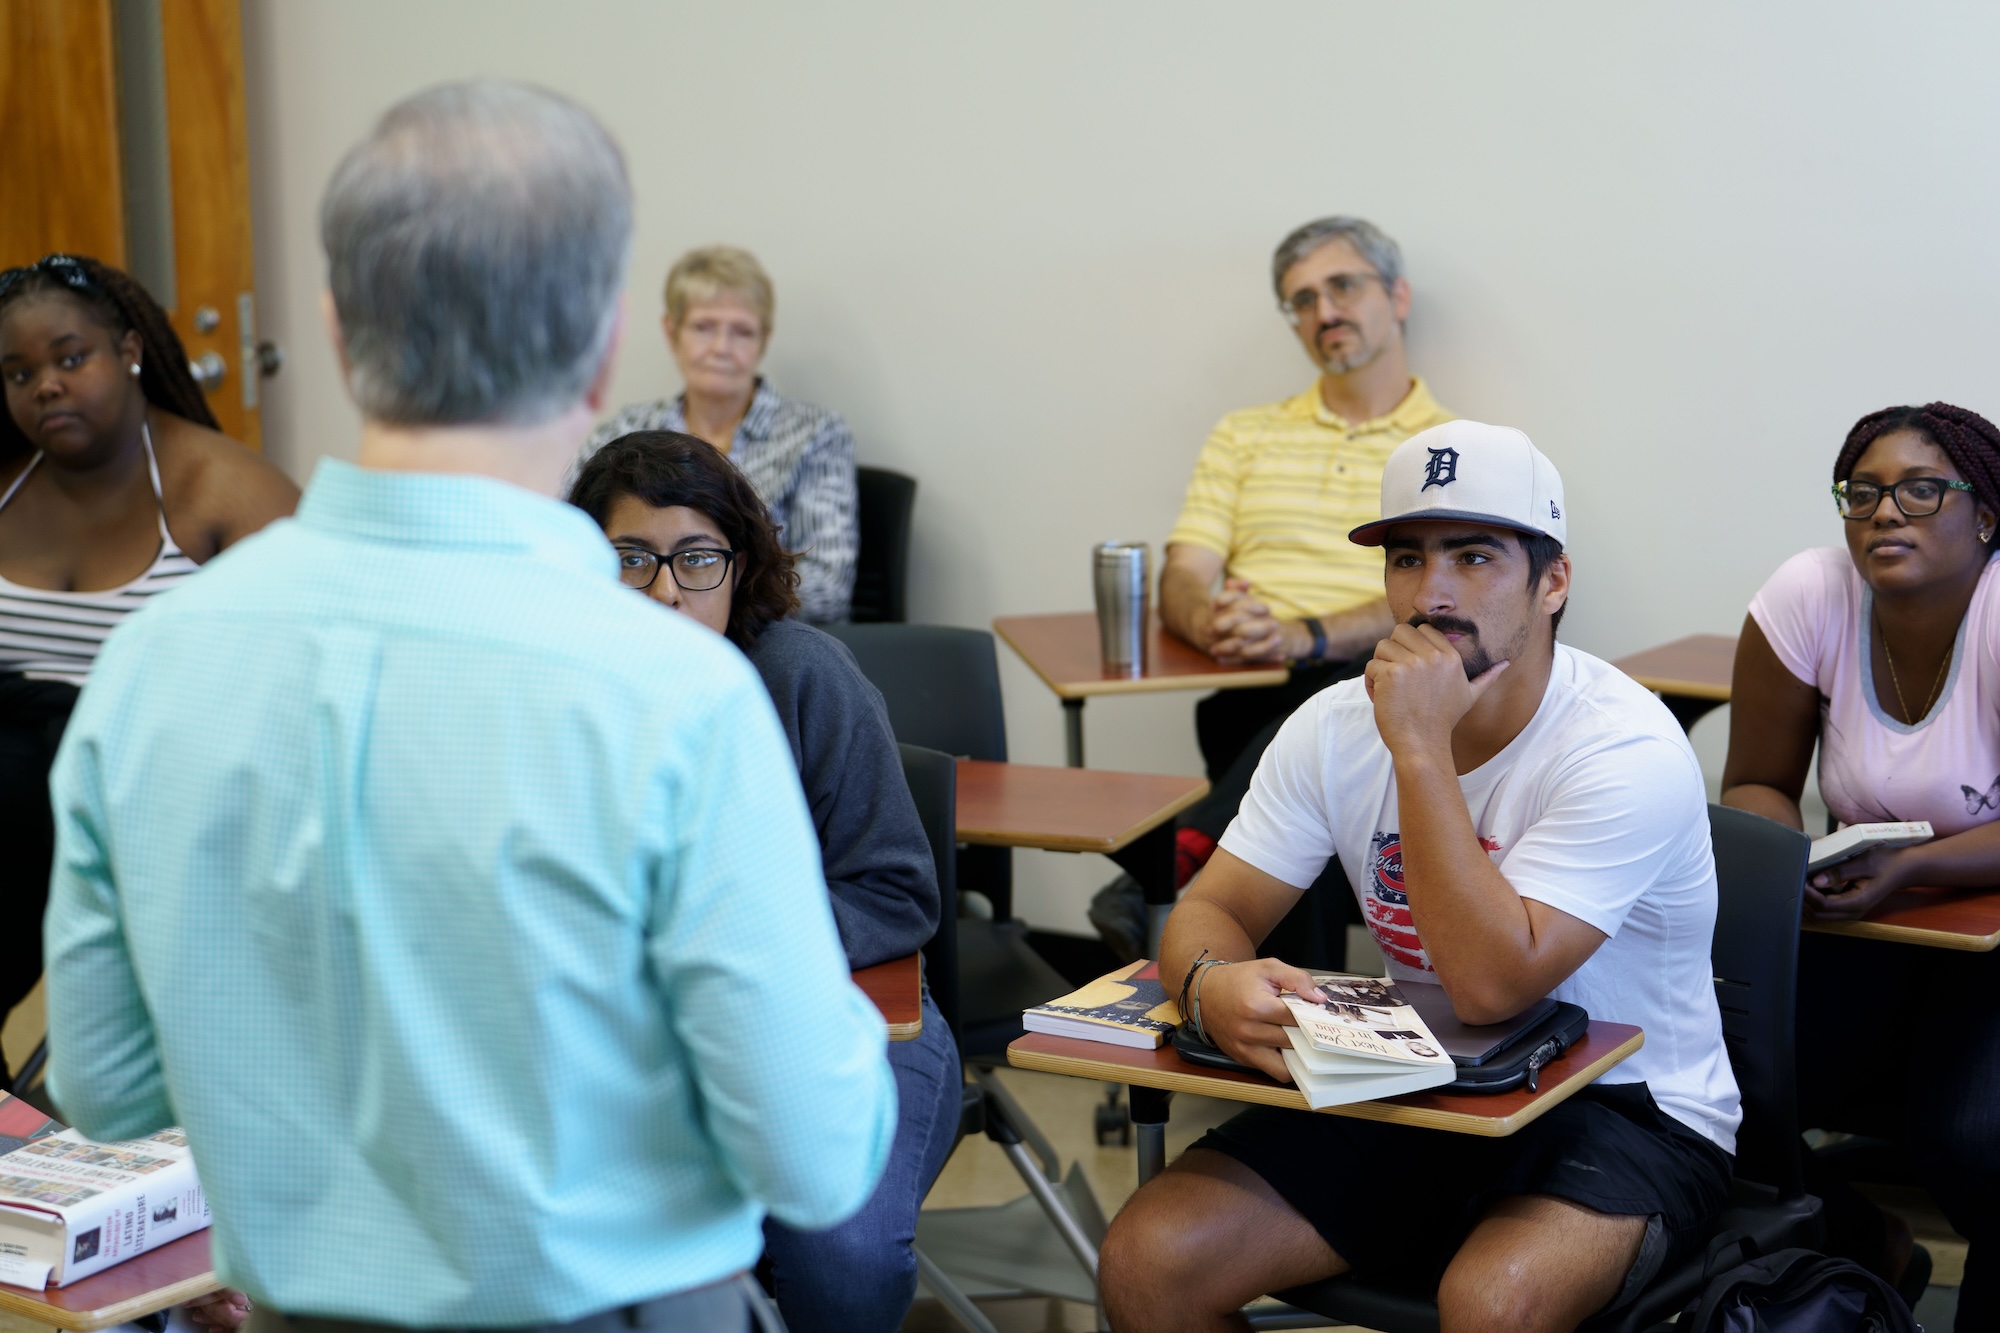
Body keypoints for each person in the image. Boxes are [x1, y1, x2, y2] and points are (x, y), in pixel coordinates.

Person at [43, 80, 895, 1333]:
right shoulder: (677, 696)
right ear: (606, 342)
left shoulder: (150, 665)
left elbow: (106, 1085)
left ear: (337, 332)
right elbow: (817, 1157)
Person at [1100, 422, 1740, 1333]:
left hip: (1625, 1108)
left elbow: (1491, 985)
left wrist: (1420, 746)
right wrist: (1210, 984)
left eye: (1474, 557)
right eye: (1408, 558)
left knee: (1491, 1305)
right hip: (1424, 1082)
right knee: (1148, 1262)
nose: (1431, 593)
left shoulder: (1624, 744)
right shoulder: (1331, 724)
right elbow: (1213, 906)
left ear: (1553, 581)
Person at [570, 429, 959, 1333]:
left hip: (851, 1016)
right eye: (632, 558)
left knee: (842, 1258)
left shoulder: (802, 675)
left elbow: (897, 894)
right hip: (648, 1034)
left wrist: (731, 941)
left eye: (696, 558)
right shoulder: (571, 699)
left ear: (739, 566)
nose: (666, 589)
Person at [1722, 401, 2000, 1328]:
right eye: (1866, 492)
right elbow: (1758, 781)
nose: (1888, 511)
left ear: (1985, 513)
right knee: (1713, 1087)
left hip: (1984, 930)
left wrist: (1910, 871)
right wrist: (1790, 859)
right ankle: (1862, 1245)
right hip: (1864, 919)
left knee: (1974, 1141)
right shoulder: (1810, 593)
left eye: (1924, 490)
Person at [0, 253, 297, 1051]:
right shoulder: (8, 485)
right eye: (19, 372)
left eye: (70, 357)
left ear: (130, 349)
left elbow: (303, 684)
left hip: (168, 806)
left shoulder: (223, 492)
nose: (46, 386)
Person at [1161, 216, 1455, 896]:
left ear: (1398, 296)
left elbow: (1446, 598)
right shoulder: (1244, 434)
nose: (1324, 311)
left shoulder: (1448, 447)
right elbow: (1183, 574)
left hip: (1379, 677)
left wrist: (1306, 634)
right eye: (1302, 299)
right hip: (1252, 684)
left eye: (1343, 286)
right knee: (1239, 714)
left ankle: (1190, 848)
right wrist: (1213, 620)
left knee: (1359, 687)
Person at [586, 246, 858, 623]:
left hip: (763, 644)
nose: (721, 348)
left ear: (763, 340)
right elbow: (569, 545)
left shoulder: (816, 435)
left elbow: (829, 589)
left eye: (741, 332)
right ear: (672, 331)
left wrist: (713, 591)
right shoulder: (626, 431)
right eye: (704, 327)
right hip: (636, 632)